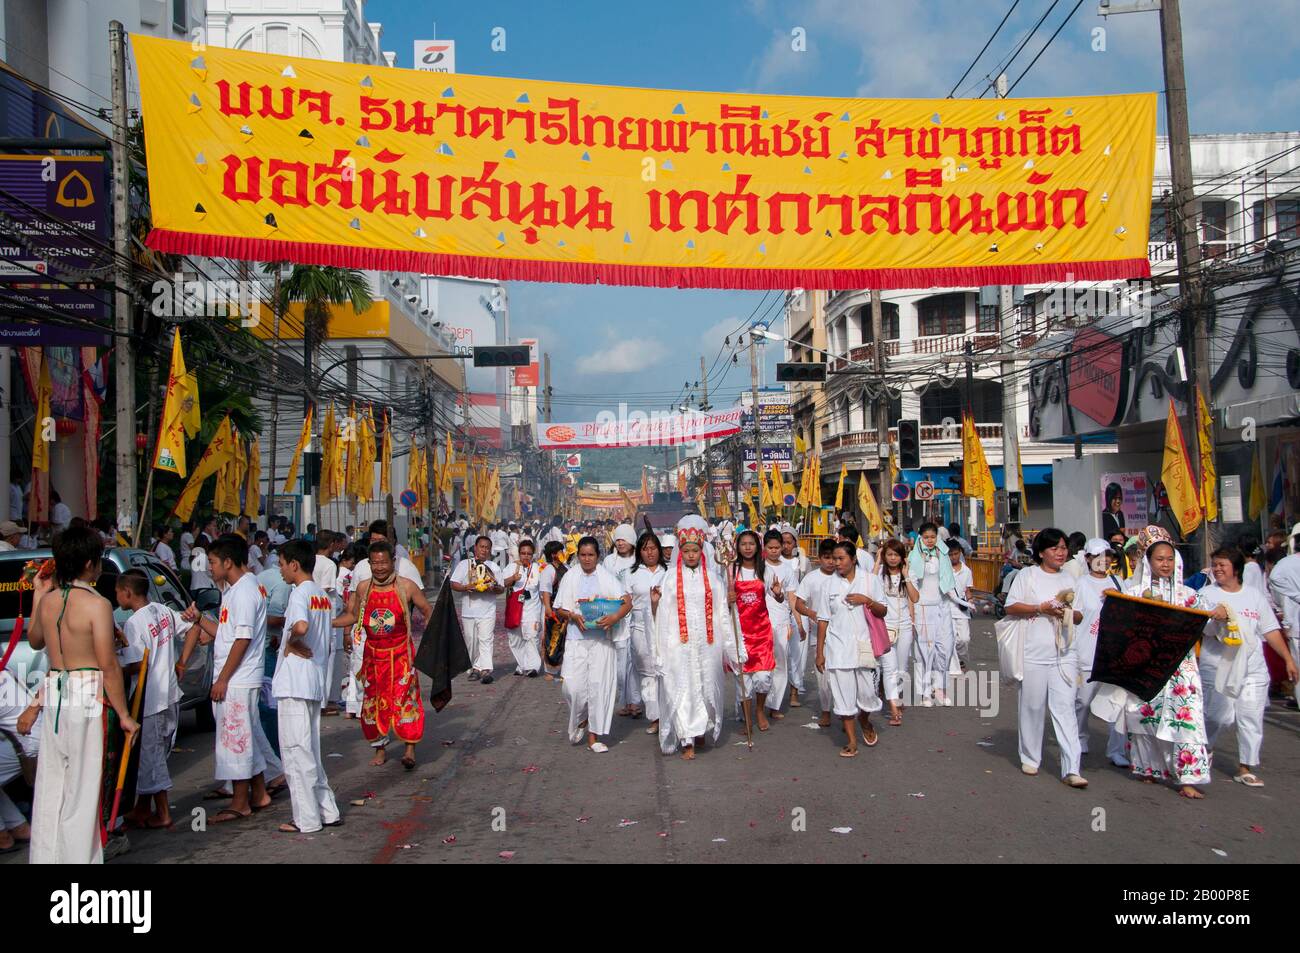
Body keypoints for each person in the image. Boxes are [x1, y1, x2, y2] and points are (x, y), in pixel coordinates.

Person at [27, 526, 139, 863]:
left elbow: (35, 641)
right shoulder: (97, 604)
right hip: (87, 692)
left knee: (52, 786)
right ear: (90, 563)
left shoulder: (48, 601)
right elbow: (108, 665)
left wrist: (38, 594)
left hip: (58, 691)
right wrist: (124, 714)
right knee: (83, 788)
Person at [1121, 529, 1227, 798]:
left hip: (1183, 670)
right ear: (1148, 561)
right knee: (1145, 717)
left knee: (1187, 720)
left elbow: (1210, 625)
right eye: (1159, 559)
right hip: (1146, 666)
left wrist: (1221, 615)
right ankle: (1149, 768)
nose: (1165, 564)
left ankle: (1187, 778)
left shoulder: (1189, 596)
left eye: (1169, 558)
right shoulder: (1133, 592)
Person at [178, 534, 276, 823]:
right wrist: (198, 621)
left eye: (212, 562)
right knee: (244, 735)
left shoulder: (244, 591)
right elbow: (227, 633)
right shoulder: (238, 589)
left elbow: (242, 639)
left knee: (235, 739)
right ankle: (258, 793)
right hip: (238, 675)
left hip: (238, 678)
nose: (209, 568)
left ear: (228, 562)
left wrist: (222, 679)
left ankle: (240, 801)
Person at [1199, 546, 1296, 788]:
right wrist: (1215, 618)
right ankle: (1205, 749)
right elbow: (1202, 630)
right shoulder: (1206, 594)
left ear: (1237, 569)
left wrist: (1288, 659)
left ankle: (1246, 766)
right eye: (1216, 565)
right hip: (1218, 666)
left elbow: (1270, 630)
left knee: (1251, 716)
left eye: (1223, 565)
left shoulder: (1254, 596)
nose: (1218, 569)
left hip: (1253, 669)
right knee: (1217, 716)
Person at [331, 540, 431, 769]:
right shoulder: (364, 588)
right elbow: (353, 615)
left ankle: (409, 749)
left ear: (392, 562)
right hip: (373, 657)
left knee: (406, 700)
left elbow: (427, 610)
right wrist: (329, 623)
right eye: (375, 563)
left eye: (384, 563)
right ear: (369, 563)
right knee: (372, 704)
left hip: (401, 655)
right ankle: (380, 749)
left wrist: (430, 639)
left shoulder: (407, 586)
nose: (379, 568)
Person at [1004, 528, 1088, 788]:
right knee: (1032, 706)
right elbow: (1011, 606)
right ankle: (1030, 756)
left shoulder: (1073, 579)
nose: (1061, 552)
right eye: (1055, 548)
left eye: (1063, 548)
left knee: (1065, 709)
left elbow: (1079, 615)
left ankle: (1072, 767)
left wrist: (1065, 611)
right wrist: (1041, 608)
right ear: (1041, 552)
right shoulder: (1027, 575)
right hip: (1033, 652)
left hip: (1064, 654)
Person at [653, 517, 741, 760]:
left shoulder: (714, 580)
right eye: (687, 551)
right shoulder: (669, 580)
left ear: (702, 551)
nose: (691, 555)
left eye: (695, 550)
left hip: (707, 644)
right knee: (684, 688)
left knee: (705, 687)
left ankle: (701, 729)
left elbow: (723, 614)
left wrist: (733, 648)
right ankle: (686, 738)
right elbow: (662, 616)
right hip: (678, 644)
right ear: (680, 553)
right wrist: (661, 650)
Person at [113, 569, 193, 830]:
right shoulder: (162, 610)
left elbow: (136, 663)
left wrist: (114, 661)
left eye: (117, 592)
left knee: (152, 755)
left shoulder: (135, 622)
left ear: (127, 592)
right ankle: (141, 807)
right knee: (152, 752)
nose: (116, 597)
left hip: (151, 697)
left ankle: (163, 812)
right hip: (168, 693)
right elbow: (192, 628)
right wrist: (181, 662)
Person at [273, 540, 342, 833]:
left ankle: (306, 818)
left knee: (295, 750)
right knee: (309, 748)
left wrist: (290, 643)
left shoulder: (300, 593)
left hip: (296, 681)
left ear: (294, 564)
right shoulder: (321, 596)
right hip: (313, 679)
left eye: (281, 564)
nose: (280, 570)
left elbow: (300, 626)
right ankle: (327, 810)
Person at [552, 537, 632, 753]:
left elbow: (627, 601)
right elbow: (559, 607)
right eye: (583, 555)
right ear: (578, 555)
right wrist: (572, 616)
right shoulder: (570, 576)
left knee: (598, 687)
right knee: (572, 688)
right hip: (576, 639)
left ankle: (593, 737)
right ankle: (580, 718)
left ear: (598, 556)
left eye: (591, 555)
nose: (587, 559)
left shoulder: (607, 577)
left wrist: (614, 618)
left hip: (601, 641)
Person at [815, 540, 886, 758]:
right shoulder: (828, 585)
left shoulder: (870, 581)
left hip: (864, 646)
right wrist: (820, 652)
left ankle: (864, 719)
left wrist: (867, 601)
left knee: (867, 695)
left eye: (840, 559)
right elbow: (823, 619)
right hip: (837, 647)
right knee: (843, 696)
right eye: (834, 559)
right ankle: (851, 740)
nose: (836, 563)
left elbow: (883, 611)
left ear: (853, 559)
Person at [1071, 539, 1127, 767]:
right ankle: (1080, 737)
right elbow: (1073, 617)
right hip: (1087, 652)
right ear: (1088, 559)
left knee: (1118, 704)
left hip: (1114, 654)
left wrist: (1119, 599)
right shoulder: (1080, 584)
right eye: (1097, 557)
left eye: (1107, 556)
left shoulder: (1119, 582)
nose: (1103, 561)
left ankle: (1116, 750)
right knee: (1083, 701)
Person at [729, 529, 777, 732]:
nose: (747, 548)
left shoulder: (766, 570)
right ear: (738, 547)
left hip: (761, 631)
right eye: (743, 544)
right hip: (740, 631)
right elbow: (722, 600)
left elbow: (778, 597)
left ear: (758, 546)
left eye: (751, 544)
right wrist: (727, 599)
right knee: (743, 680)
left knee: (763, 677)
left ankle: (759, 710)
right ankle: (748, 718)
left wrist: (779, 594)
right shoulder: (731, 570)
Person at [793, 539, 840, 727]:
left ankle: (846, 713)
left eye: (834, 558)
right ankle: (826, 710)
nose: (831, 562)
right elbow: (798, 603)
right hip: (819, 635)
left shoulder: (843, 577)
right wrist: (812, 613)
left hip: (842, 633)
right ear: (819, 558)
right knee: (823, 675)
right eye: (827, 558)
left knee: (842, 673)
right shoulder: (811, 578)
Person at [911, 522, 956, 706]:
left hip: (941, 606)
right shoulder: (914, 556)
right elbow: (912, 583)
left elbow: (947, 581)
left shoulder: (942, 555)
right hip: (922, 606)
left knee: (944, 648)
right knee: (923, 651)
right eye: (926, 537)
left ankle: (940, 688)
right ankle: (923, 692)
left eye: (932, 537)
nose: (929, 540)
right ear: (920, 537)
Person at [450, 535, 505, 683]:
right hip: (469, 611)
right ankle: (475, 668)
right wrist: (465, 587)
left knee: (486, 639)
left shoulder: (494, 567)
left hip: (487, 611)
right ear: (475, 548)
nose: (484, 550)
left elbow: (501, 588)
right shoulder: (464, 565)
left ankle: (485, 669)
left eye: (487, 548)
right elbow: (453, 583)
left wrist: (492, 587)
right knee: (471, 640)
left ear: (490, 550)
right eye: (482, 547)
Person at [627, 531, 667, 734]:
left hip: (665, 629)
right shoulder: (631, 574)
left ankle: (668, 714)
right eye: (645, 549)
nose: (650, 552)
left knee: (664, 671)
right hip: (640, 630)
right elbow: (624, 602)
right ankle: (655, 717)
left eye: (653, 548)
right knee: (647, 674)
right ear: (639, 552)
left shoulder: (668, 572)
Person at [0, 667, 39, 853]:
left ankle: (2, 836)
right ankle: (18, 826)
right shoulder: (3, 666)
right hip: (31, 741)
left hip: (28, 750)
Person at [761, 529, 798, 719]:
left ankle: (774, 705)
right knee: (762, 664)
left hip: (782, 620)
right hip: (761, 621)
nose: (775, 551)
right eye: (771, 548)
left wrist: (796, 621)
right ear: (765, 548)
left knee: (780, 662)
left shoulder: (787, 569)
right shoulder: (760, 568)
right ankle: (757, 703)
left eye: (777, 547)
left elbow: (792, 597)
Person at [503, 539, 544, 677]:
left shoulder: (538, 568)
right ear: (519, 553)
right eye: (523, 553)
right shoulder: (511, 567)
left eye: (529, 553)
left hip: (532, 608)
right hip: (515, 607)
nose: (525, 556)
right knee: (515, 639)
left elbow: (544, 588)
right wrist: (513, 578)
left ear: (533, 555)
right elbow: (502, 583)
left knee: (532, 637)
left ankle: (533, 667)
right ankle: (522, 664)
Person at [538, 540, 569, 680]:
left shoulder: (567, 567)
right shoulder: (548, 570)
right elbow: (545, 591)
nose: (563, 554)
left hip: (566, 608)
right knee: (552, 638)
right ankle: (550, 670)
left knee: (566, 639)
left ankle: (564, 669)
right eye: (560, 552)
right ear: (553, 555)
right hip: (553, 609)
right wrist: (548, 609)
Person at [946, 544, 975, 675]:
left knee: (964, 639)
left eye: (956, 554)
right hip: (947, 610)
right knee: (950, 639)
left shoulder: (967, 571)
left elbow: (968, 590)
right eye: (950, 554)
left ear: (960, 553)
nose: (953, 557)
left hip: (962, 611)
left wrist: (970, 601)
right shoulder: (944, 570)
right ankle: (955, 665)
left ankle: (959, 657)